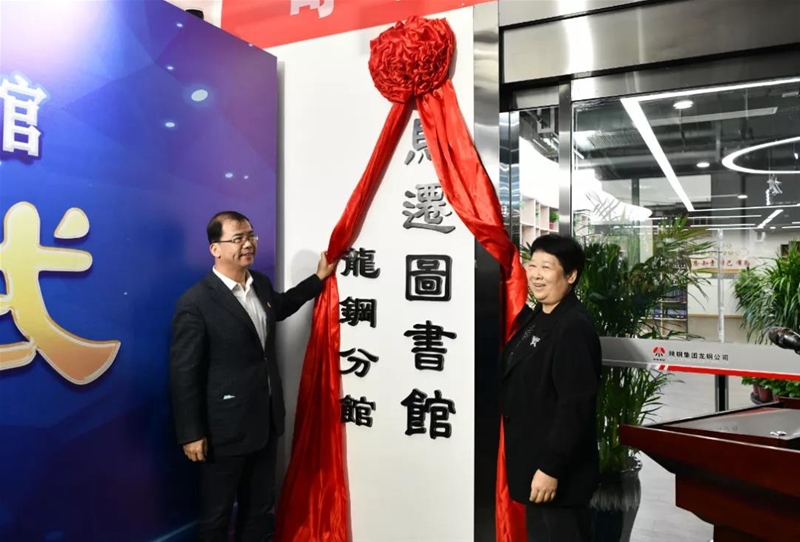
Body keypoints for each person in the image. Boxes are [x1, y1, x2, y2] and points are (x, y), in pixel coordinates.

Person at [169, 211, 336, 542]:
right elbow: (183, 373)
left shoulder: (259, 283)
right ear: (215, 249)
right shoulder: (196, 302)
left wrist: (317, 280)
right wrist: (191, 432)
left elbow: (281, 307)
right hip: (223, 430)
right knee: (216, 515)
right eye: (238, 239)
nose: (248, 244)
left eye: (250, 236)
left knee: (259, 510)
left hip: (265, 420)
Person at [501, 234, 602, 542]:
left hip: (558, 474)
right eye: (532, 265)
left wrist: (551, 469)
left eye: (547, 267)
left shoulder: (573, 327)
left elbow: (575, 405)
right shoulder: (539, 316)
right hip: (532, 463)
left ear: (571, 275)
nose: (536, 275)